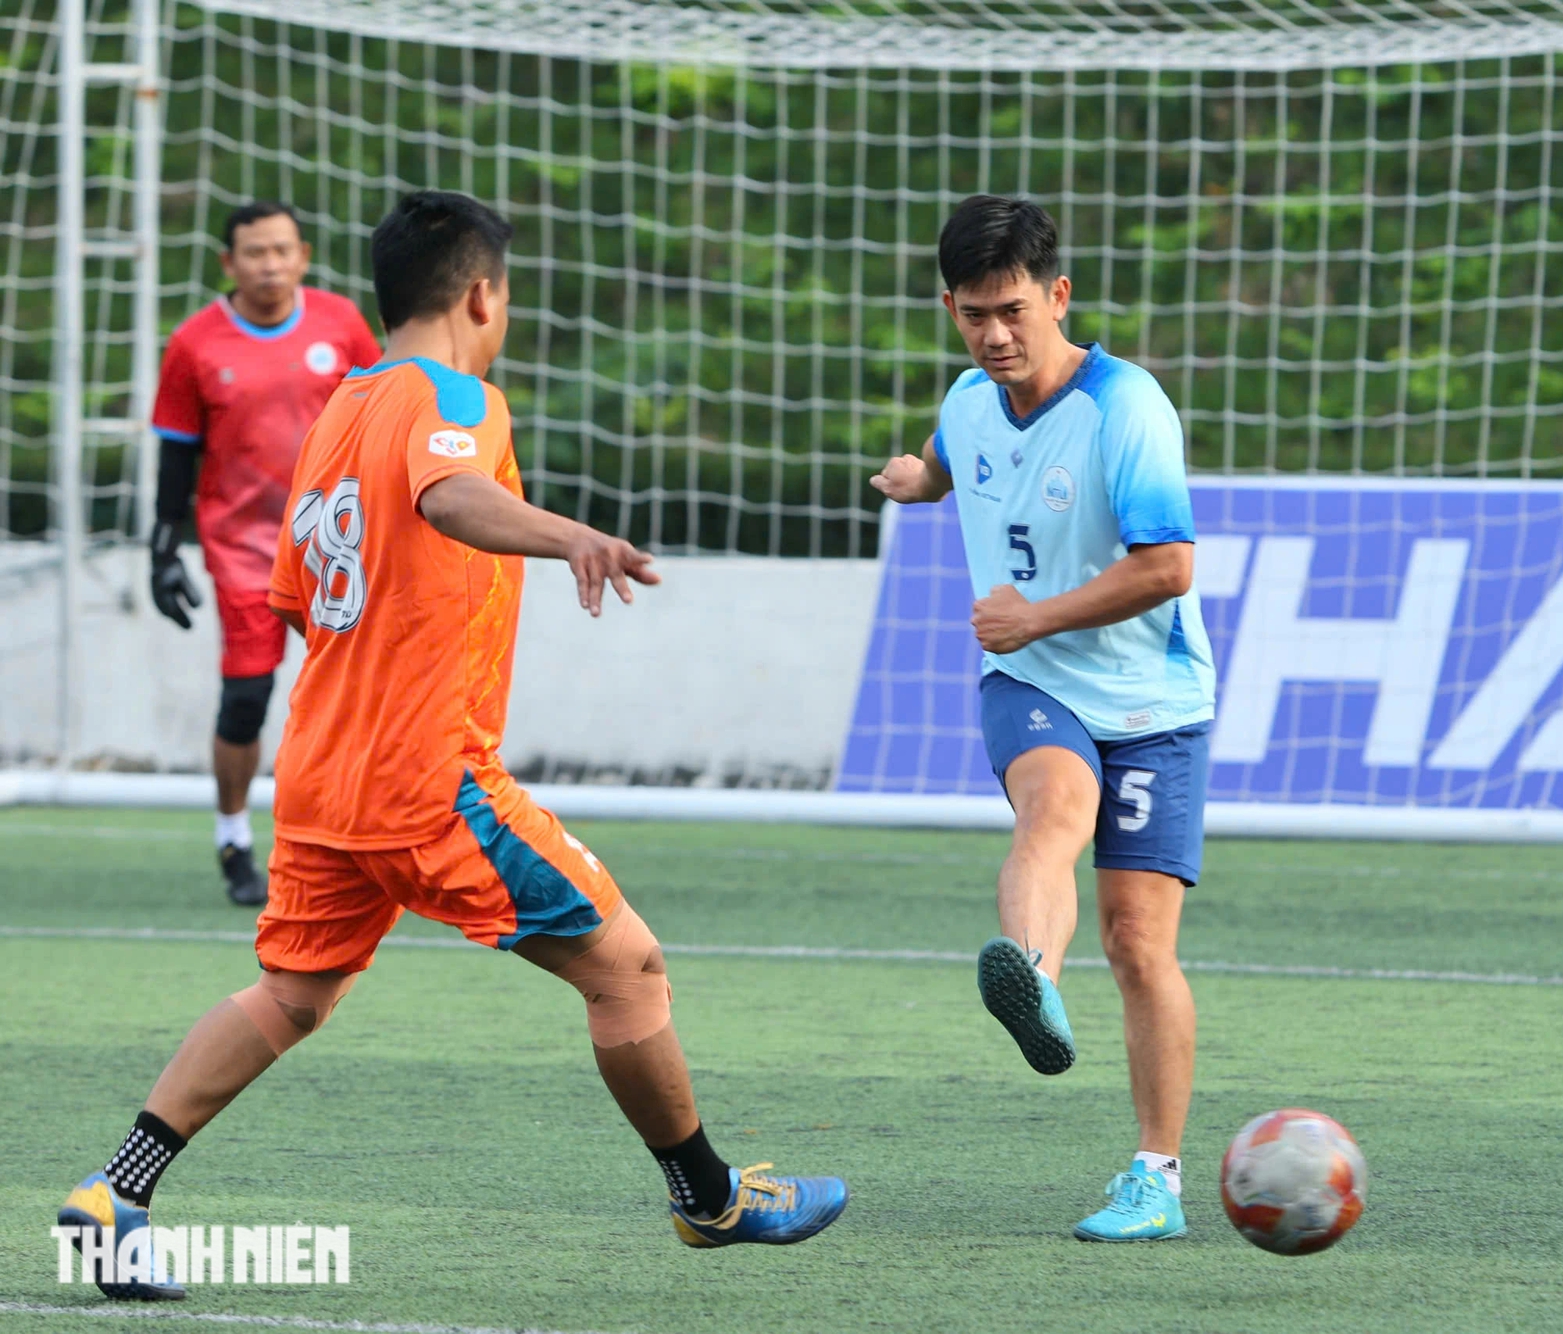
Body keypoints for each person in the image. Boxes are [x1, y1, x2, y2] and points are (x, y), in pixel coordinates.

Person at [60, 191, 846, 1301]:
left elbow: (302, 598)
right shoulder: (454, 395)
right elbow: (448, 492)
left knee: (290, 993)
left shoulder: (337, 409)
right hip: (425, 775)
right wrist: (569, 532)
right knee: (630, 971)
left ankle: (115, 1191)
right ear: (482, 293)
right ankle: (708, 1199)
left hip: (323, 772)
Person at [870, 195, 1215, 1243]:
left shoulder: (1126, 409)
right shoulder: (970, 399)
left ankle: (1155, 1178)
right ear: (949, 308)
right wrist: (914, 478)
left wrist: (1033, 613)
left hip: (1155, 701)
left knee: (1140, 942)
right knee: (1051, 812)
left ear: (1057, 296)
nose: (993, 335)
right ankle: (1030, 976)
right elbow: (946, 452)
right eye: (972, 314)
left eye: (1012, 310)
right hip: (1031, 681)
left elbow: (1167, 568)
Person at [148, 201, 382, 906]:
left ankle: (353, 839)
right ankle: (233, 837)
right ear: (229, 263)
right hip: (244, 547)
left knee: (357, 695)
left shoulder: (341, 323)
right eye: (255, 253)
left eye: (282, 250)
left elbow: (387, 413)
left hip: (338, 543)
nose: (270, 265)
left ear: (303, 255)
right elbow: (177, 452)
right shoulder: (193, 344)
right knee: (247, 698)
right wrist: (162, 547)